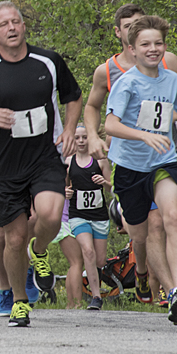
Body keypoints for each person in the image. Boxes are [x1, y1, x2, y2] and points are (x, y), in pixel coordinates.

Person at [0, 1, 82, 327]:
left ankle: (42, 248)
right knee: (12, 239)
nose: (12, 28)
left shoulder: (48, 60)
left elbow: (72, 96)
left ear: (24, 25)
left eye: (16, 21)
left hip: (45, 156)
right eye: (4, 24)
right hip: (2, 164)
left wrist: (71, 128)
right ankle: (18, 300)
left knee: (49, 214)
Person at [83, 3, 177, 303]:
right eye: (146, 44)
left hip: (163, 162)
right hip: (129, 168)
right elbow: (111, 124)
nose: (153, 49)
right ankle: (143, 274)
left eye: (158, 43)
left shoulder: (172, 79)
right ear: (132, 48)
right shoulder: (125, 82)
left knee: (171, 217)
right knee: (140, 236)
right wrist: (143, 135)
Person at [64, 125, 111, 310]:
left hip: (99, 216)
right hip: (78, 215)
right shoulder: (68, 162)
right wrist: (66, 192)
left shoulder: (100, 161)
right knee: (87, 251)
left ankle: (92, 279)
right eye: (77, 138)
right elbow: (64, 187)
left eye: (84, 137)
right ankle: (96, 297)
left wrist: (105, 182)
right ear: (73, 141)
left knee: (100, 260)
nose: (82, 141)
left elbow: (113, 188)